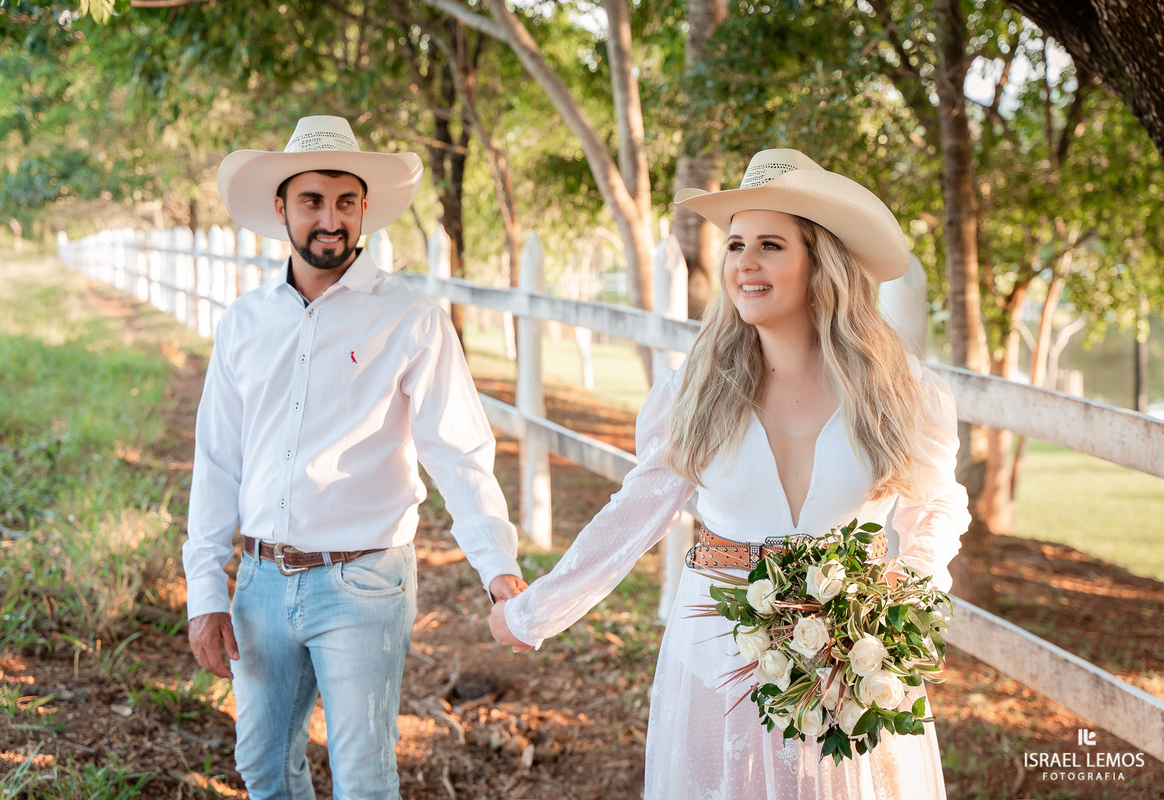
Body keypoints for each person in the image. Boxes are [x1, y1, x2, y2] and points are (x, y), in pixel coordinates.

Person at [489, 149, 970, 799]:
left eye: (770, 244)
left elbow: (935, 506)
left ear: (820, 262)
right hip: (716, 654)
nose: (743, 261)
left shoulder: (900, 392)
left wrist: (896, 597)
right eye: (735, 243)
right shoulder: (694, 391)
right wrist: (534, 613)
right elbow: (633, 516)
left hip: (851, 660)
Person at [182, 115, 526, 800]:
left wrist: (499, 567)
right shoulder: (245, 322)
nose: (330, 220)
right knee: (263, 769)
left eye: (345, 202)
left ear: (365, 208)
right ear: (281, 208)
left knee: (364, 781)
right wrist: (203, 590)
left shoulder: (410, 318)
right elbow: (217, 460)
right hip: (258, 582)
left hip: (362, 583)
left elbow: (457, 450)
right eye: (312, 201)